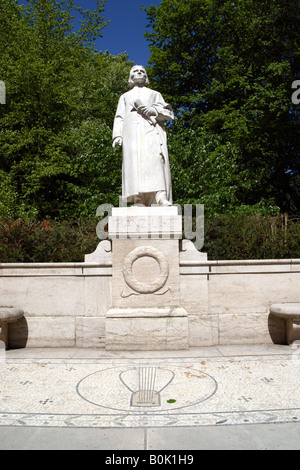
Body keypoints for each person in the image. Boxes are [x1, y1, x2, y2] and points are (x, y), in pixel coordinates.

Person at [112, 65, 174, 206]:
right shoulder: (125, 97)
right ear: (131, 76)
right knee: (133, 165)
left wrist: (153, 110)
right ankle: (138, 198)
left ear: (146, 76)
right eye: (135, 71)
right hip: (131, 134)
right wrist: (117, 136)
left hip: (150, 130)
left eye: (142, 71)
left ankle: (160, 196)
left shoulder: (154, 94)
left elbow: (168, 112)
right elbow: (119, 116)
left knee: (155, 160)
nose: (139, 72)